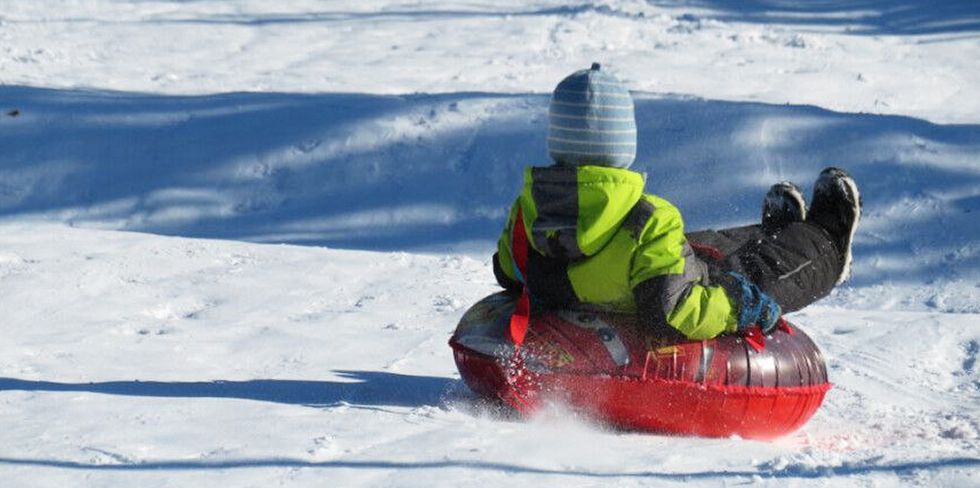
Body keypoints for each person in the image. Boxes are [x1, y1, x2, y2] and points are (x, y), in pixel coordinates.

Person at [492, 63, 861, 341]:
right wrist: (737, 306)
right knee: (754, 271)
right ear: (623, 146)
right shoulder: (649, 219)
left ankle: (776, 233)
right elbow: (674, 312)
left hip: (638, 282)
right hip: (674, 294)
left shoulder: (529, 211)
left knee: (699, 245)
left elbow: (508, 270)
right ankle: (825, 245)